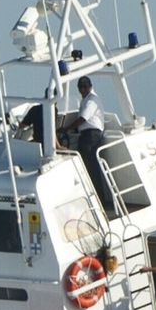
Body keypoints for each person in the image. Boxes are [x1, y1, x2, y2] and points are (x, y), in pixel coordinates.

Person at [60, 76, 113, 215]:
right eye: (80, 88)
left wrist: (67, 129)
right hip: (86, 135)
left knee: (90, 167)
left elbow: (83, 118)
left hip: (91, 135)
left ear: (89, 86)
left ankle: (99, 201)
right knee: (87, 167)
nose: (82, 90)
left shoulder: (91, 100)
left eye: (84, 87)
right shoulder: (86, 100)